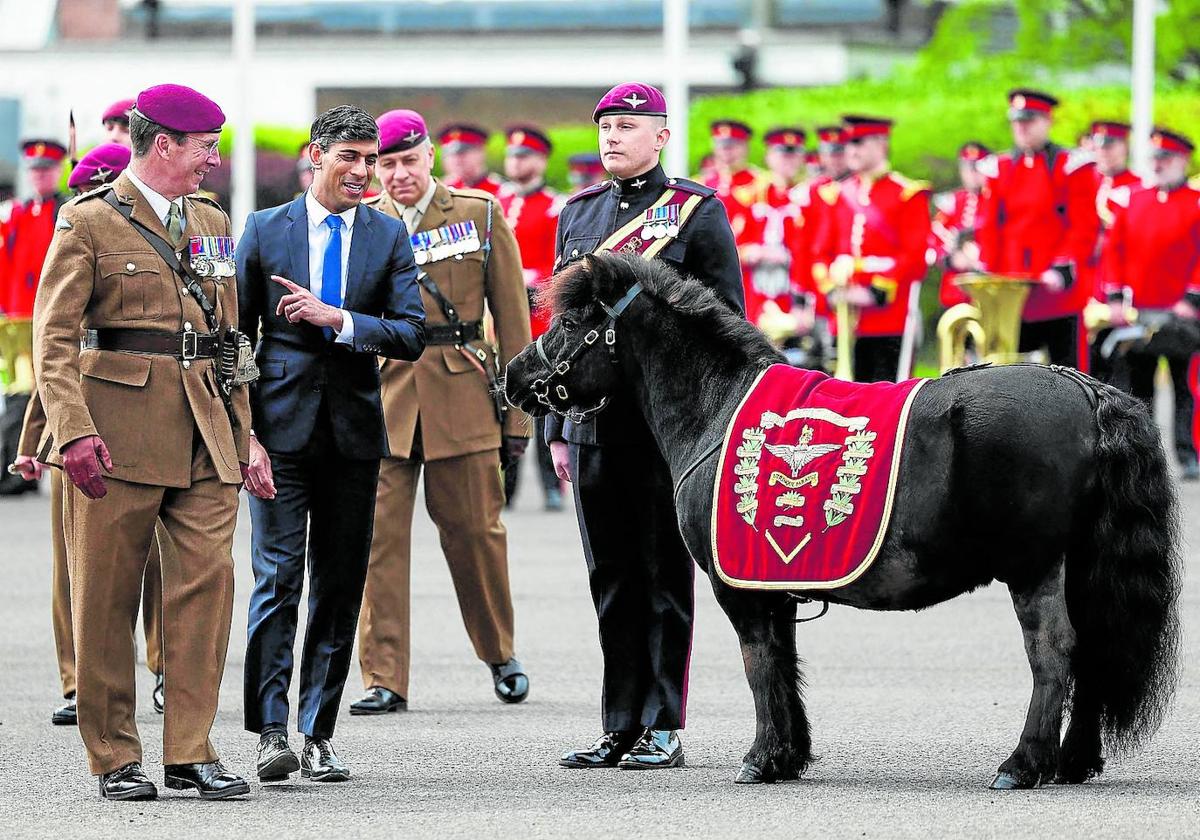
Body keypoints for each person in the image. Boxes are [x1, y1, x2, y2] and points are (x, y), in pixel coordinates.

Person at [33, 83, 252, 801]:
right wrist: (72, 432)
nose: (212, 162)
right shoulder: (89, 220)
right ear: (163, 145)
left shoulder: (212, 218)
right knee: (106, 597)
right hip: (117, 432)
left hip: (207, 430)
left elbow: (229, 339)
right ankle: (115, 755)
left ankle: (191, 749)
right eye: (203, 148)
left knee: (205, 593)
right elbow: (54, 341)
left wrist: (247, 437)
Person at [547, 82, 743, 771]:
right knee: (611, 578)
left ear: (661, 135)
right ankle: (619, 722)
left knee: (664, 576)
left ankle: (663, 722)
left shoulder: (695, 214)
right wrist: (554, 429)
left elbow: (727, 328)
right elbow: (561, 329)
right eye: (605, 127)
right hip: (592, 423)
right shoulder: (578, 213)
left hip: (666, 427)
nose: (611, 138)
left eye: (627, 126)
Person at [237, 105, 425, 784]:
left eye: (371, 159)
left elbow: (412, 333)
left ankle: (317, 731)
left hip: (353, 435)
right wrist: (245, 435)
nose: (364, 171)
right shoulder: (263, 230)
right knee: (278, 579)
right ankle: (268, 733)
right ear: (315, 156)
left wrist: (339, 319)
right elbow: (235, 340)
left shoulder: (387, 236)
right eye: (350, 156)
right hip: (279, 433)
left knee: (340, 586)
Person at [350, 108, 531, 717]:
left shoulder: (479, 214)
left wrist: (519, 417)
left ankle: (500, 652)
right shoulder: (359, 221)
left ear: (429, 156)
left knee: (477, 534)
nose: (398, 174)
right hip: (382, 397)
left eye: (407, 160)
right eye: (386, 164)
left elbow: (512, 323)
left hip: (462, 391)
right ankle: (383, 675)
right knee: (375, 543)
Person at [12, 141, 168, 727]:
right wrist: (33, 444)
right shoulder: (77, 230)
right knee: (73, 568)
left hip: (150, 418)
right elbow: (55, 355)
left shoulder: (173, 223)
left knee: (158, 562)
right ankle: (78, 680)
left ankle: (164, 667)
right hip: (74, 426)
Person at [1099, 127, 1200, 481]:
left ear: (1182, 161)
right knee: (1138, 390)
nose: (1158, 164)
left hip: (1180, 316)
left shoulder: (1196, 201)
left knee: (1184, 387)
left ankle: (1188, 454)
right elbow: (1114, 250)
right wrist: (1114, 297)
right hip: (1138, 313)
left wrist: (1192, 297)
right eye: (1154, 158)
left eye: (1166, 158)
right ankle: (1145, 459)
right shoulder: (1132, 199)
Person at [975, 89, 1098, 369]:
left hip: (1057, 295)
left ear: (1047, 121)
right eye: (1017, 121)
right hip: (1012, 295)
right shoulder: (999, 168)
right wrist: (988, 275)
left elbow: (1084, 227)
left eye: (1029, 121)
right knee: (1006, 377)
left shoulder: (1070, 166)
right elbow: (990, 228)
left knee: (1070, 376)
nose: (1021, 128)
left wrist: (1061, 267)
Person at [811, 115, 931, 383]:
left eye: (859, 142)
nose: (850, 150)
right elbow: (819, 254)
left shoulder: (907, 194)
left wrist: (874, 292)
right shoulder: (836, 195)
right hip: (844, 318)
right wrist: (831, 290)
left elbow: (914, 257)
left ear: (881, 143)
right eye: (848, 143)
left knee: (887, 395)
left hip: (889, 318)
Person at [498, 124, 564, 510]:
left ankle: (551, 484)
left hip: (539, 316)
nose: (516, 162)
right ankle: (504, 485)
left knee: (543, 404)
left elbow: (563, 262)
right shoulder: (496, 200)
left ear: (540, 160)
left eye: (525, 156)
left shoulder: (556, 206)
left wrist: (533, 277)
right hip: (499, 318)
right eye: (512, 155)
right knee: (501, 402)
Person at [1, 140, 68, 496]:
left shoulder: (66, 211)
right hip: (14, 318)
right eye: (34, 170)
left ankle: (19, 468)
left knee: (34, 394)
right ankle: (13, 467)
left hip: (47, 317)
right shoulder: (16, 213)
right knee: (18, 392)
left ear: (57, 171)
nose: (39, 175)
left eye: (45, 169)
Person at [736, 127, 810, 327]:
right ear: (769, 157)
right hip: (754, 294)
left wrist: (802, 302)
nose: (788, 161)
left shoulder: (810, 197)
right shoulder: (748, 196)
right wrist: (753, 252)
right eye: (782, 154)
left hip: (794, 296)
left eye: (795, 154)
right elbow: (730, 247)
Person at [931, 141, 990, 308]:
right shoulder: (952, 202)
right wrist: (953, 258)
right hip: (955, 293)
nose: (972, 174)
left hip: (989, 290)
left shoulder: (998, 200)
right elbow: (935, 240)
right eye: (967, 168)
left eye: (976, 168)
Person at [702, 119, 760, 222]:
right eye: (721, 145)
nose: (726, 151)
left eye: (733, 146)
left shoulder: (762, 184)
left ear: (746, 147)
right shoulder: (701, 185)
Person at [438, 123, 504, 195]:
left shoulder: (503, 191)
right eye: (449, 154)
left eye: (462, 152)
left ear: (481, 152)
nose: (456, 159)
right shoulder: (440, 190)